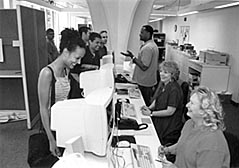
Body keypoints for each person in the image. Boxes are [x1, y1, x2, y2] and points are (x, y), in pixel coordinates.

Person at [38, 28, 86, 156]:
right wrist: (51, 139)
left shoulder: (66, 71)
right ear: (65, 52)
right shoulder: (47, 73)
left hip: (63, 123)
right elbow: (43, 109)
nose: (78, 62)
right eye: (77, 58)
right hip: (51, 127)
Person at [159, 86, 230, 168]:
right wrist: (167, 150)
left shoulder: (212, 144)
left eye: (192, 103)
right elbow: (183, 145)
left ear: (203, 111)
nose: (186, 105)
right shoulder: (189, 124)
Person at [141, 61, 183, 147]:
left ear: (172, 74)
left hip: (168, 128)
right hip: (160, 122)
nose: (162, 74)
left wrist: (151, 114)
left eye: (166, 72)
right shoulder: (164, 84)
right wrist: (149, 108)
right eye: (161, 71)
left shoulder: (174, 89)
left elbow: (170, 111)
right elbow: (157, 100)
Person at [121, 25, 159, 106]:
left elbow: (144, 66)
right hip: (146, 80)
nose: (140, 34)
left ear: (148, 34)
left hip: (145, 82)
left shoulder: (148, 48)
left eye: (142, 32)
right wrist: (132, 56)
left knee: (143, 103)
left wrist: (133, 58)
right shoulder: (151, 45)